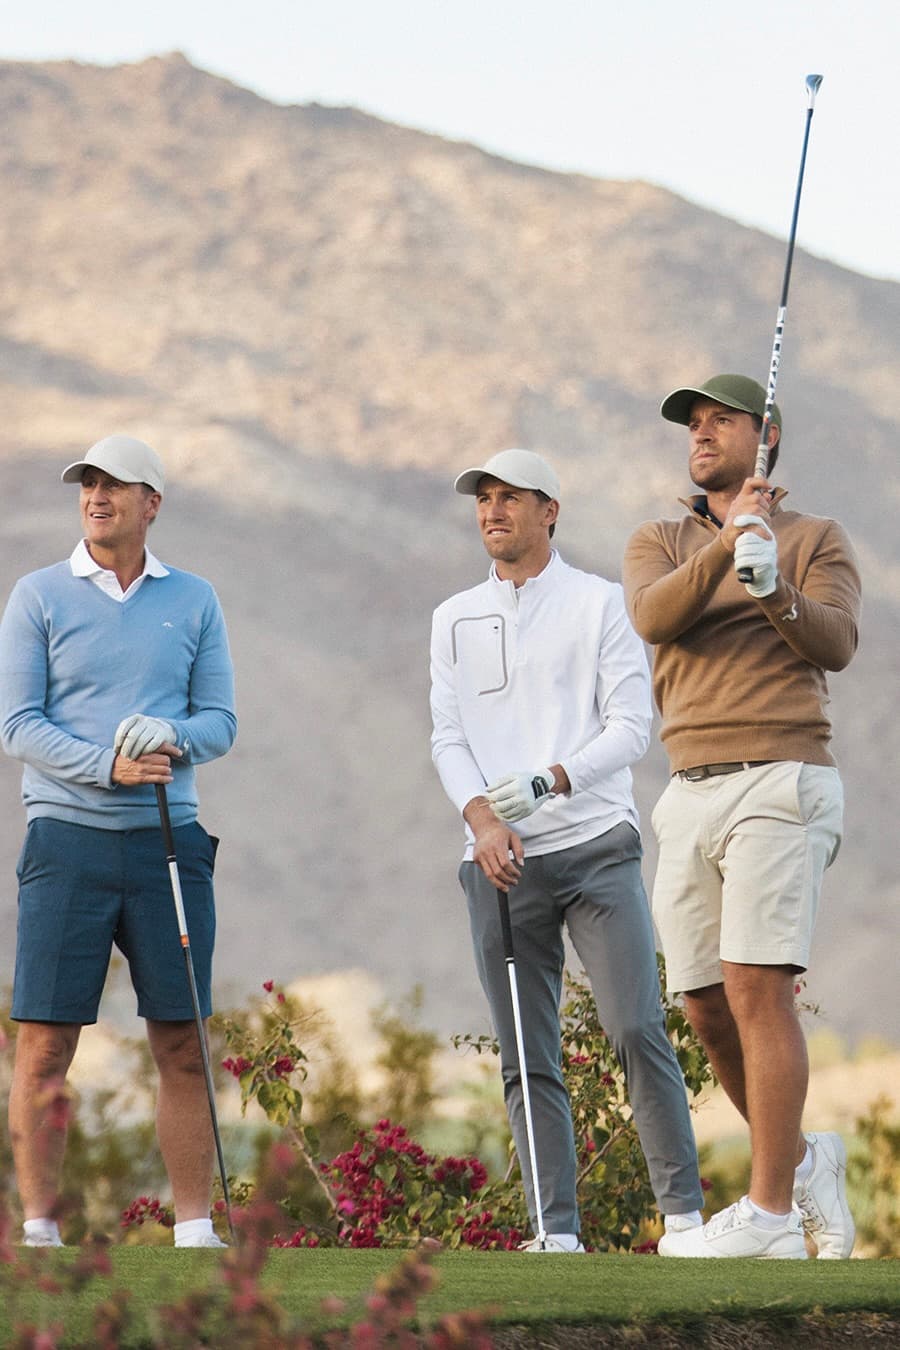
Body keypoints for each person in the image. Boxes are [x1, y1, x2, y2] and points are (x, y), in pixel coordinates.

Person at [430, 447, 704, 1253]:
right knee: (526, 1053)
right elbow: (448, 737)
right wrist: (483, 822)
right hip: (498, 864)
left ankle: (683, 1220)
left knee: (633, 1027)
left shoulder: (599, 604)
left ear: (550, 511)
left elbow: (630, 728)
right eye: (484, 499)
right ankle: (557, 1232)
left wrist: (550, 783)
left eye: (510, 497)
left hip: (594, 848)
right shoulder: (452, 618)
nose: (492, 511)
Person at [623, 374, 861, 1259]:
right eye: (693, 422)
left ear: (765, 440)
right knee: (704, 1004)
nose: (700, 432)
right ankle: (803, 1161)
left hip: (782, 777)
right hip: (688, 786)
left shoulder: (814, 539)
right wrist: (728, 547)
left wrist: (776, 590)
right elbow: (655, 615)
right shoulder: (662, 538)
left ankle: (765, 1214)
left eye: (720, 420)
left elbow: (835, 642)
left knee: (759, 988)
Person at [0, 434, 237, 1249]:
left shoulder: (195, 600)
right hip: (65, 843)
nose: (97, 496)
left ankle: (195, 1229)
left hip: (167, 845)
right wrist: (108, 764)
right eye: (88, 484)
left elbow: (221, 723)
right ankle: (38, 1229)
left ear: (152, 504)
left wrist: (170, 732)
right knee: (44, 1042)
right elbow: (17, 723)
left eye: (116, 485)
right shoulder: (37, 595)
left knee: (181, 1038)